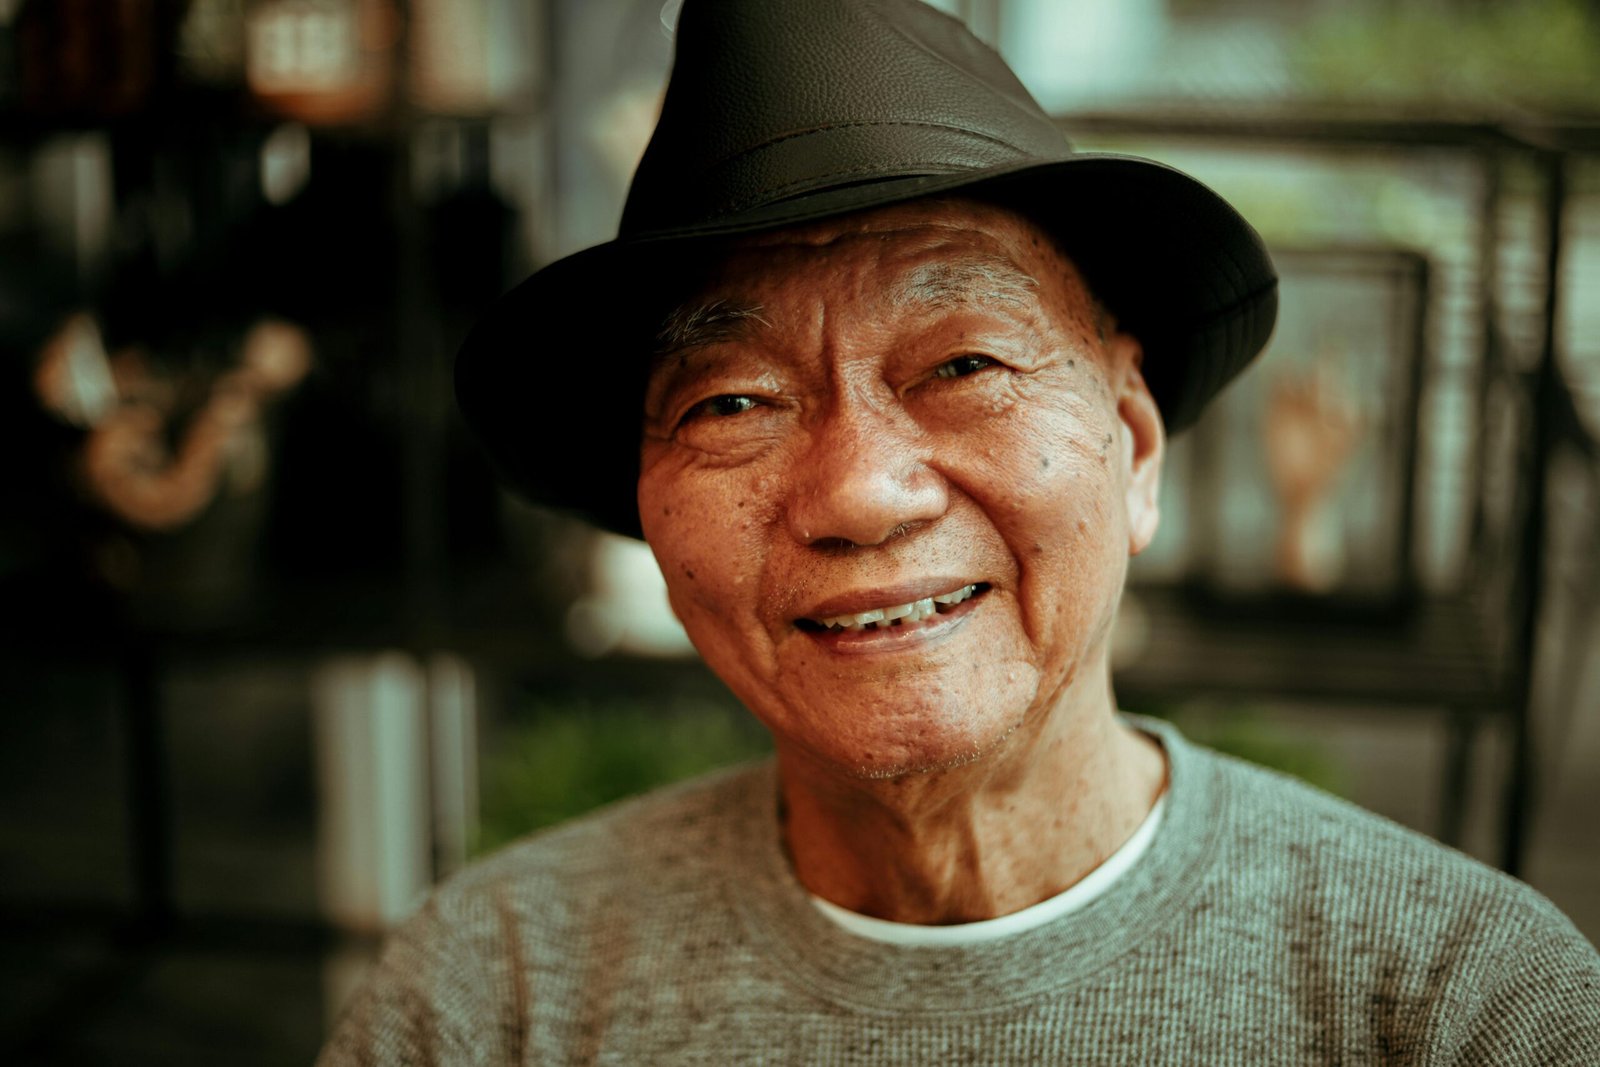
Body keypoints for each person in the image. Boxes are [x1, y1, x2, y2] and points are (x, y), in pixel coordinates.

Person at [319, 1, 1600, 1062]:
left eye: (967, 360)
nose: (861, 491)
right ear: (652, 520)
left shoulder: (1455, 1002)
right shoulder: (488, 995)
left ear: (1134, 447)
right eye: (733, 400)